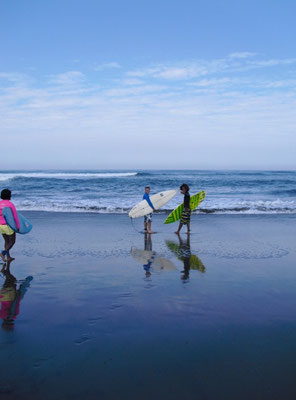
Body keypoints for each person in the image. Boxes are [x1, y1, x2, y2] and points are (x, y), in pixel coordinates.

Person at [0, 189, 20, 262]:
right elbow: (15, 216)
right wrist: (17, 227)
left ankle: (8, 257)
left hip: (0, 226)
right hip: (7, 225)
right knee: (12, 241)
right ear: (9, 195)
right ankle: (3, 253)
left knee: (6, 241)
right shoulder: (10, 204)